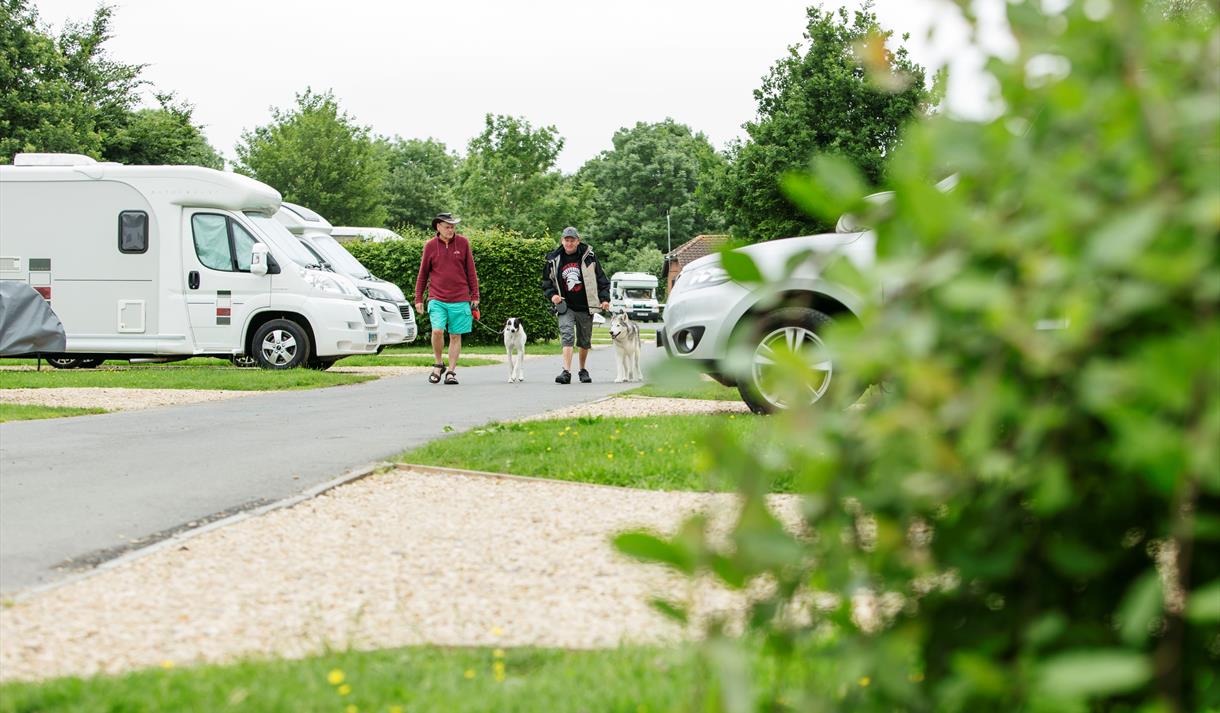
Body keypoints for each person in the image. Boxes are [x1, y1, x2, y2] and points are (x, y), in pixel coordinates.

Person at [415, 213, 479, 385]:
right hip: (437, 297)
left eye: (452, 227)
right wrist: (418, 298)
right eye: (447, 226)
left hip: (460, 297)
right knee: (437, 330)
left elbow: (471, 271)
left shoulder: (463, 243)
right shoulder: (430, 246)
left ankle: (451, 371)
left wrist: (475, 295)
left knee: (455, 335)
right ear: (438, 227)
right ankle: (438, 363)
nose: (451, 230)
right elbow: (423, 274)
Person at [540, 226, 610, 384]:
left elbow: (602, 280)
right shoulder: (554, 260)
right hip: (566, 306)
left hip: (586, 306)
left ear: (578, 241)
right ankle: (566, 372)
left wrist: (604, 299)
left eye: (572, 240)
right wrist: (553, 296)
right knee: (567, 336)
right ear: (562, 241)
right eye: (566, 240)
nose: (569, 243)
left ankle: (582, 370)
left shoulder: (589, 257)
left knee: (584, 341)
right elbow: (546, 282)